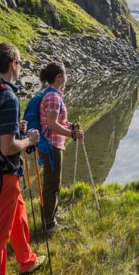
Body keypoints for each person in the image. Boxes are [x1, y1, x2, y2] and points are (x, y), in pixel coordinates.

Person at [0, 42, 45, 275]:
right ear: (12, 64)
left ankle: (27, 260)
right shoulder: (8, 97)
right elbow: (8, 148)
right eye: (20, 62)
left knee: (18, 214)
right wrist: (28, 140)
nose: (21, 67)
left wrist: (15, 128)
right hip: (2, 173)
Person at [38, 61, 84, 232]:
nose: (66, 76)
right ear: (58, 77)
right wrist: (71, 134)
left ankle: (52, 214)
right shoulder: (52, 97)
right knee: (52, 183)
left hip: (54, 144)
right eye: (64, 74)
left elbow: (60, 122)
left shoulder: (54, 94)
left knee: (53, 181)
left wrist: (71, 126)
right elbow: (51, 124)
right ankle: (49, 224)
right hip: (52, 146)